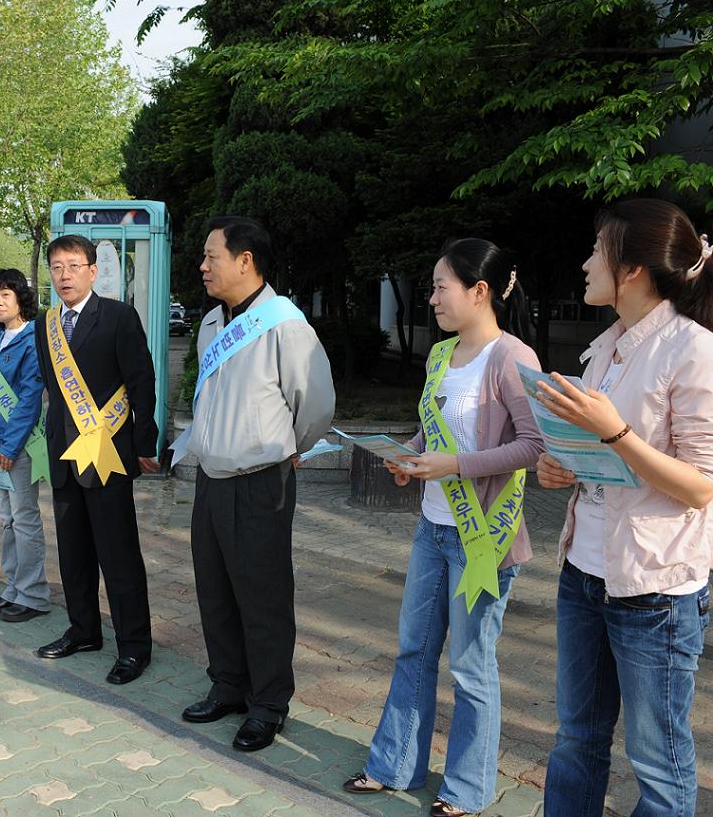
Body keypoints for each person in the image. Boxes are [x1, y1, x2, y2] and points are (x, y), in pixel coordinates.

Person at [342, 239, 543, 816]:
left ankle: (467, 790)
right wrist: (407, 456)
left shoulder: (513, 358)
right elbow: (431, 431)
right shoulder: (440, 355)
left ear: (479, 291)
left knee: (471, 667)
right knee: (414, 650)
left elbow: (531, 447)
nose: (430, 299)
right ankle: (393, 765)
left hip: (483, 540)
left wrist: (451, 465)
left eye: (440, 287)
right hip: (432, 530)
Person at [535, 199, 713, 816]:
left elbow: (699, 486)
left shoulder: (692, 349)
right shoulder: (607, 347)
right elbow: (607, 465)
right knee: (576, 741)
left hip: (654, 589)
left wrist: (614, 435)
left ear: (632, 267)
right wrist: (562, 466)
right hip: (584, 572)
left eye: (596, 250)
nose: (585, 264)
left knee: (658, 766)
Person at [177, 216, 334, 752]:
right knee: (214, 589)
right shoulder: (210, 325)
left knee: (262, 596)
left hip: (260, 480)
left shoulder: (284, 324)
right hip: (210, 478)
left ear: (246, 260)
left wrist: (289, 449)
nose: (202, 266)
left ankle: (268, 704)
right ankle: (228, 685)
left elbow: (314, 406)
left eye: (210, 256)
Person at [33, 234, 159, 685]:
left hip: (106, 454)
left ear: (93, 270)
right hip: (64, 457)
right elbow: (50, 387)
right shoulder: (44, 324)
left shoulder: (119, 317)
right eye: (56, 267)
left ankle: (134, 648)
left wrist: (145, 444)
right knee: (73, 554)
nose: (64, 275)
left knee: (118, 555)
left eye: (73, 266)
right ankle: (84, 630)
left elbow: (141, 382)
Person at [0, 268, 51, 622]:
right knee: (7, 519)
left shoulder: (33, 339)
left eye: (5, 294)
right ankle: (14, 587)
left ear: (21, 299)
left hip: (16, 448)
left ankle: (34, 595)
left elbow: (30, 398)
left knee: (25, 518)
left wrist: (10, 446)